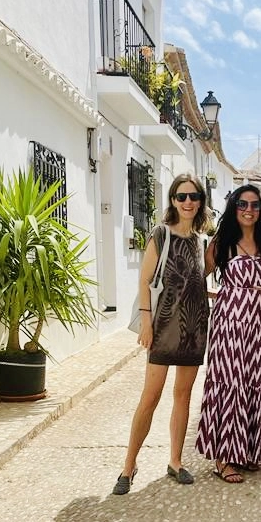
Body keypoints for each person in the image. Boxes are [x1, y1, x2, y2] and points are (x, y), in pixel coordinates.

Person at [113, 174, 210, 494]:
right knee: (150, 396)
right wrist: (147, 323)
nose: (188, 202)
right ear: (173, 200)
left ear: (201, 201)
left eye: (193, 197)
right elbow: (145, 281)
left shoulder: (201, 241)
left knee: (183, 395)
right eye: (182, 197)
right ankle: (129, 465)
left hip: (194, 328)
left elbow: (196, 282)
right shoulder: (161, 233)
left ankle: (175, 461)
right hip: (164, 326)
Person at [196, 185, 261, 483]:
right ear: (234, 207)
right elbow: (198, 278)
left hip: (258, 329)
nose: (249, 210)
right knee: (230, 384)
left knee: (256, 381)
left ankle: (248, 450)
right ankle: (223, 458)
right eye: (243, 204)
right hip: (229, 327)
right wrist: (220, 295)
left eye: (255, 205)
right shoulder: (222, 243)